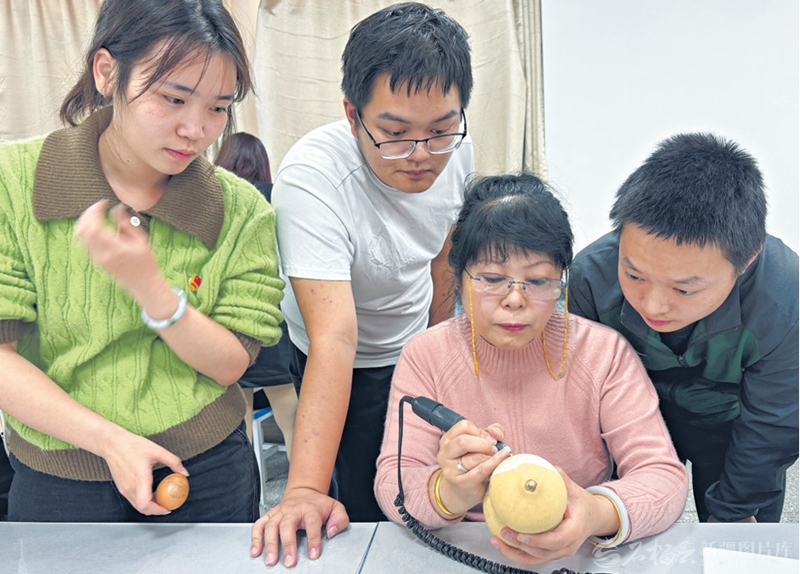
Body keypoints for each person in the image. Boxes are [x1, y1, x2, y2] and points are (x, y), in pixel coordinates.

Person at [0, 0, 284, 523]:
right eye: (173, 98)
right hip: (60, 479)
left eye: (218, 107)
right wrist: (112, 442)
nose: (195, 130)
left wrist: (151, 290)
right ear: (107, 72)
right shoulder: (14, 182)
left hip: (206, 470)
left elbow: (231, 364)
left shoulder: (242, 210)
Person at [250, 2, 474, 567]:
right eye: (394, 134)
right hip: (335, 355)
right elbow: (335, 336)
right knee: (358, 499)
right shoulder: (313, 179)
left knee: (426, 489)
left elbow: (443, 258)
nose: (421, 155)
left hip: (413, 341)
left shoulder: (457, 151)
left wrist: (436, 352)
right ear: (353, 115)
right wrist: (303, 490)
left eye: (440, 131)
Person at [374, 173, 689, 568]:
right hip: (466, 552)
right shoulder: (427, 355)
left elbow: (663, 477)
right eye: (492, 279)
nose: (515, 300)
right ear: (459, 274)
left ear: (561, 280)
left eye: (538, 281)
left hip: (582, 553)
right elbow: (393, 482)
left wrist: (594, 513)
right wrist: (449, 493)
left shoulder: (603, 352)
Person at [568, 133, 799, 523]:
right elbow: (587, 402)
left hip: (732, 427)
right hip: (634, 425)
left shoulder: (782, 295)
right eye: (635, 275)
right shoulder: (591, 278)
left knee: (739, 537)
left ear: (746, 260)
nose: (653, 306)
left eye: (684, 289)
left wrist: (735, 513)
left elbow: (773, 424)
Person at [214, 132, 297, 459]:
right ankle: (304, 485)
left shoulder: (215, 198)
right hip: (275, 317)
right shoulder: (278, 198)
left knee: (239, 421)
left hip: (228, 320)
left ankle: (249, 489)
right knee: (290, 415)